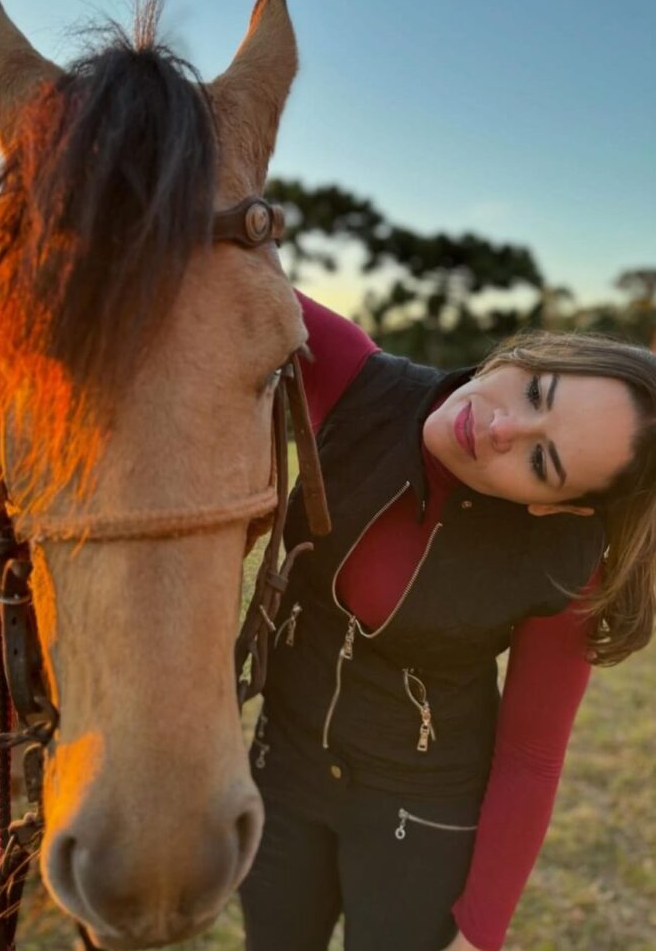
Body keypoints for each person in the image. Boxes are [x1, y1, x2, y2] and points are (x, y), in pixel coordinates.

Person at [240, 291, 656, 951]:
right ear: (528, 356)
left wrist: (479, 932)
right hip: (279, 772)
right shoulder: (360, 383)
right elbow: (221, 262)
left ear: (560, 508)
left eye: (541, 462)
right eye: (538, 392)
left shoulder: (564, 562)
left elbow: (529, 755)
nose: (503, 429)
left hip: (422, 820)